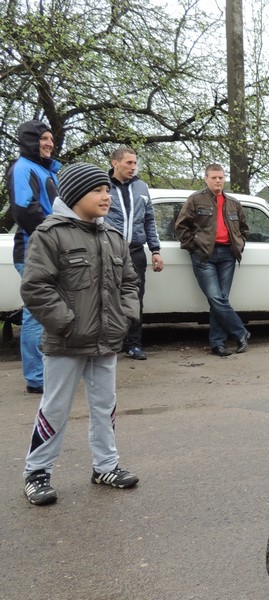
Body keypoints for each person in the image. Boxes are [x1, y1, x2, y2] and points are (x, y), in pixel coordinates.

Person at [20, 163, 141, 506]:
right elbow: (35, 287)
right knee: (55, 408)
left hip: (106, 340)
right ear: (75, 196)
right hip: (65, 342)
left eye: (107, 190)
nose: (107, 197)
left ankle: (106, 466)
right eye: (98, 191)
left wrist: (126, 316)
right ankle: (37, 472)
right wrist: (68, 323)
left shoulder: (113, 236)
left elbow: (129, 283)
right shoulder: (51, 234)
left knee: (105, 405)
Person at [8, 120, 61, 394]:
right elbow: (25, 211)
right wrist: (56, 235)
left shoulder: (47, 170)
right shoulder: (23, 168)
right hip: (34, 250)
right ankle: (36, 378)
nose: (49, 143)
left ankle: (49, 370)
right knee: (35, 313)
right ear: (29, 140)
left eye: (51, 139)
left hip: (51, 250)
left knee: (49, 311)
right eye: (43, 138)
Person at [174, 164, 250, 357]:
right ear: (206, 179)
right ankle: (241, 332)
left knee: (221, 300)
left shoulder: (233, 203)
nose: (218, 181)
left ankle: (217, 344)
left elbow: (244, 229)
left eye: (221, 177)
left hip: (227, 255)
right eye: (214, 177)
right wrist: (194, 247)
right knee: (216, 297)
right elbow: (181, 227)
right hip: (204, 255)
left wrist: (239, 245)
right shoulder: (195, 199)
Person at [105, 146, 164, 360]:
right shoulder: (102, 186)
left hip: (136, 252)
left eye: (135, 163)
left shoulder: (141, 187)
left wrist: (155, 250)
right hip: (109, 251)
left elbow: (149, 220)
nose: (133, 167)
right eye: (129, 163)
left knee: (135, 299)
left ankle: (134, 344)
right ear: (115, 163)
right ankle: (109, 342)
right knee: (107, 297)